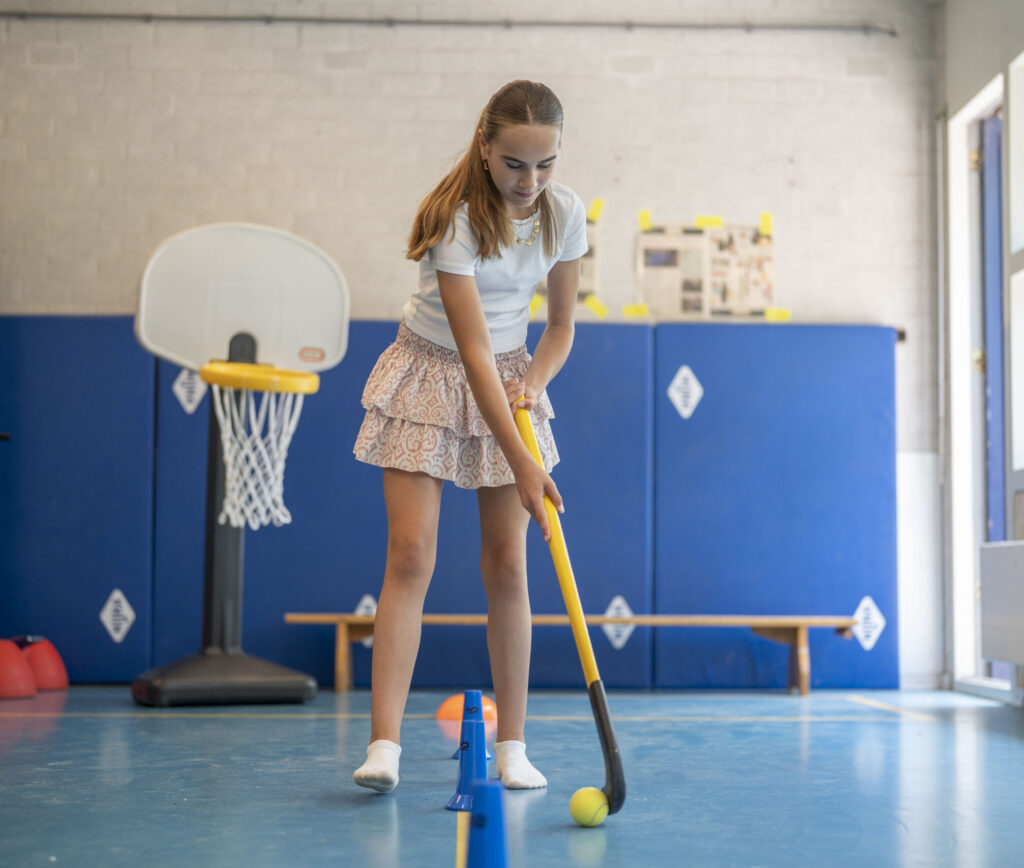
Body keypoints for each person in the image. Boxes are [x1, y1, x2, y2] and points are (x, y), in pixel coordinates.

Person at [351, 79, 587, 794]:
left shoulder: (565, 213)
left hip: (508, 375)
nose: (530, 180)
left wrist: (535, 385)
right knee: (410, 553)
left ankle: (513, 745)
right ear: (485, 148)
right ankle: (384, 746)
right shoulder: (454, 218)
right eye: (515, 163)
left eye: (544, 164)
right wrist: (523, 461)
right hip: (431, 371)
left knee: (508, 566)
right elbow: (471, 351)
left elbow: (561, 329)